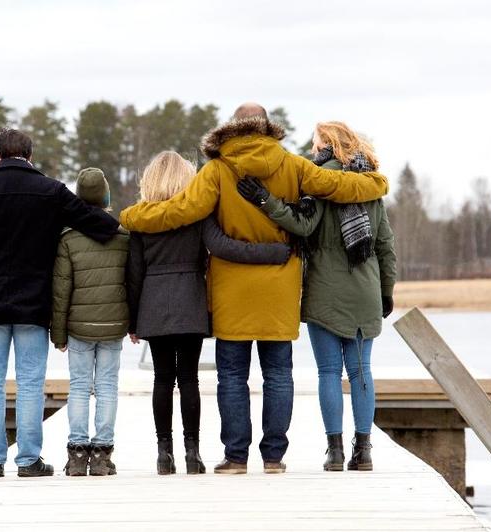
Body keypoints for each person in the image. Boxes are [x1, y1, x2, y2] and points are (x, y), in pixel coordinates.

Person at [118, 103, 389, 474]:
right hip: (280, 285)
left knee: (233, 376)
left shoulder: (217, 169)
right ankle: (274, 457)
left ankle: (236, 457)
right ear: (266, 128)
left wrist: (131, 216)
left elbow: (178, 211)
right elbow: (336, 185)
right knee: (278, 374)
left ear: (232, 128)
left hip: (232, 289)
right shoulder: (291, 164)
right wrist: (377, 182)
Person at [0, 129, 120, 478]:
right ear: (30, 156)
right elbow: (102, 226)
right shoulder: (50, 192)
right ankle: (28, 461)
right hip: (34, 305)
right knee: (29, 383)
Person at [236, 121, 397, 471]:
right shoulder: (369, 185)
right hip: (366, 287)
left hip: (325, 287)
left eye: (315, 142)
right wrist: (386, 291)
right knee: (360, 371)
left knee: (328, 372)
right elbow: (385, 245)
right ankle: (364, 451)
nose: (311, 149)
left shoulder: (317, 180)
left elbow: (302, 224)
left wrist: (266, 201)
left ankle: (335, 451)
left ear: (326, 144)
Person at [126, 151, 291, 475]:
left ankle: (164, 453)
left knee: (162, 379)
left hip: (154, 304)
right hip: (191, 300)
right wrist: (274, 251)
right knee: (188, 378)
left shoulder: (140, 220)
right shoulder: (197, 217)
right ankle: (193, 451)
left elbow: (133, 274)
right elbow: (221, 250)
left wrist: (133, 321)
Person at [50, 167, 130, 477]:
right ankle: (102, 455)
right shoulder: (123, 236)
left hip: (78, 326)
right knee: (108, 386)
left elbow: (61, 289)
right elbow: (131, 281)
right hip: (113, 325)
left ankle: (77, 454)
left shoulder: (67, 239)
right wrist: (132, 322)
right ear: (107, 197)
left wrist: (58, 333)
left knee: (80, 387)